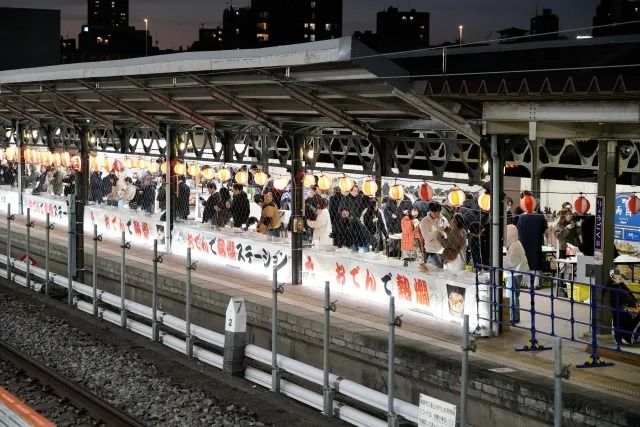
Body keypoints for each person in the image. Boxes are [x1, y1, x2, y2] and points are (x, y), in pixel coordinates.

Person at [517, 199, 548, 289]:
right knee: (536, 263)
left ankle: (528, 284)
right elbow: (545, 230)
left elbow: (517, 229)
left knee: (526, 263)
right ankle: (536, 284)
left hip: (524, 244)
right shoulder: (540, 217)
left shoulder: (521, 217)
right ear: (536, 206)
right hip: (536, 244)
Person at [503, 224, 529, 323]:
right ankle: (514, 316)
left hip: (515, 272)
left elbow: (511, 262)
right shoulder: (516, 243)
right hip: (518, 271)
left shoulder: (514, 246)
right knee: (514, 293)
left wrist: (501, 260)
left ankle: (513, 317)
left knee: (512, 294)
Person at [419, 202, 445, 268]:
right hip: (431, 251)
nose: (437, 214)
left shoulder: (442, 218)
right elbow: (426, 237)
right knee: (432, 273)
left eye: (438, 212)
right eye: (435, 212)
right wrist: (438, 230)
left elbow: (446, 230)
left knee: (440, 274)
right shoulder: (425, 221)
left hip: (442, 250)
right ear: (430, 211)